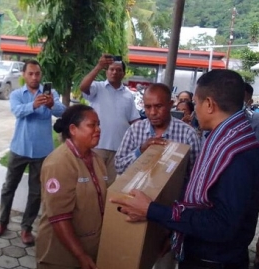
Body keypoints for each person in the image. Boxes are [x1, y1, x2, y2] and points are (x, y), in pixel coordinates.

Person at [111, 70, 259, 269]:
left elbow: (221, 225)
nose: (193, 110)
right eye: (148, 107)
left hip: (214, 261)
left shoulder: (235, 152)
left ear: (209, 104)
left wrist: (152, 210)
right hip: (199, 251)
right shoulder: (223, 140)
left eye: (195, 103)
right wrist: (175, 231)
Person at [0, 59, 66, 245]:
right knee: (9, 187)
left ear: (41, 75)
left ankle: (26, 228)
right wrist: (33, 105)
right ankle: (2, 221)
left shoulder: (51, 93)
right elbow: (17, 111)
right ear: (24, 75)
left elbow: (62, 111)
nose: (34, 77)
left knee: (35, 192)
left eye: (37, 74)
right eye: (30, 73)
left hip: (42, 152)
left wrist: (51, 105)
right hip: (19, 148)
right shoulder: (17, 94)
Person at [36, 104, 107, 269]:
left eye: (98, 124)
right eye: (92, 125)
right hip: (61, 257)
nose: (98, 129)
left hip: (89, 249)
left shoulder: (97, 159)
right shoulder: (59, 162)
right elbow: (59, 217)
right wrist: (80, 255)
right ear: (73, 129)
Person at [115, 83, 201, 177]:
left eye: (158, 106)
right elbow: (119, 166)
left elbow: (195, 174)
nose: (153, 112)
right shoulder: (135, 130)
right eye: (148, 107)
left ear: (170, 105)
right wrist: (140, 151)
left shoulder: (187, 134)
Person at [80, 54, 140, 186]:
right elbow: (83, 87)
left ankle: (105, 208)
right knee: (93, 184)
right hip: (98, 146)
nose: (114, 72)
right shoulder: (97, 87)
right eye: (111, 69)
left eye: (118, 70)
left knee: (110, 185)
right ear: (106, 71)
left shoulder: (129, 95)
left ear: (123, 73)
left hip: (120, 149)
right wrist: (98, 66)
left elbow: (134, 120)